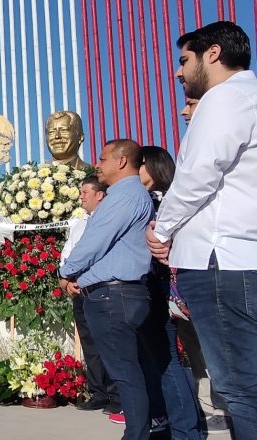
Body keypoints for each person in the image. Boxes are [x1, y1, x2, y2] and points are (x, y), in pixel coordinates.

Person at [148, 21, 257, 438]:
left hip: (220, 262)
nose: (178, 72)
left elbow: (197, 174)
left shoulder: (225, 97)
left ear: (212, 54)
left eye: (184, 60)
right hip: (239, 258)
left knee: (238, 386)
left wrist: (163, 229)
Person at [60, 139, 154, 440]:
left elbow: (94, 241)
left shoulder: (124, 195)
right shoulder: (123, 195)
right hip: (113, 293)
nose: (97, 164)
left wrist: (65, 270)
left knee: (125, 372)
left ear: (122, 161)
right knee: (128, 369)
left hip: (113, 294)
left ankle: (137, 434)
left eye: (102, 158)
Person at [173, 96, 231, 434]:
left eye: (192, 103)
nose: (184, 111)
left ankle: (227, 408)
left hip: (222, 266)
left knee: (222, 350)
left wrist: (162, 231)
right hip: (191, 274)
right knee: (203, 351)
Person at [138, 146, 203, 438]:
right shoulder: (173, 198)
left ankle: (184, 428)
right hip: (174, 288)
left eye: (140, 165)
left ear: (153, 167)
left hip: (161, 287)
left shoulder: (155, 201)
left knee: (166, 360)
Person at [59, 176, 121, 415]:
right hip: (78, 290)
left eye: (85, 191)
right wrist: (65, 280)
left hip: (100, 287)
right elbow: (67, 253)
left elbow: (97, 253)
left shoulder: (108, 220)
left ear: (100, 195)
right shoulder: (79, 223)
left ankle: (117, 394)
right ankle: (99, 392)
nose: (81, 195)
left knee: (109, 342)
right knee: (89, 343)